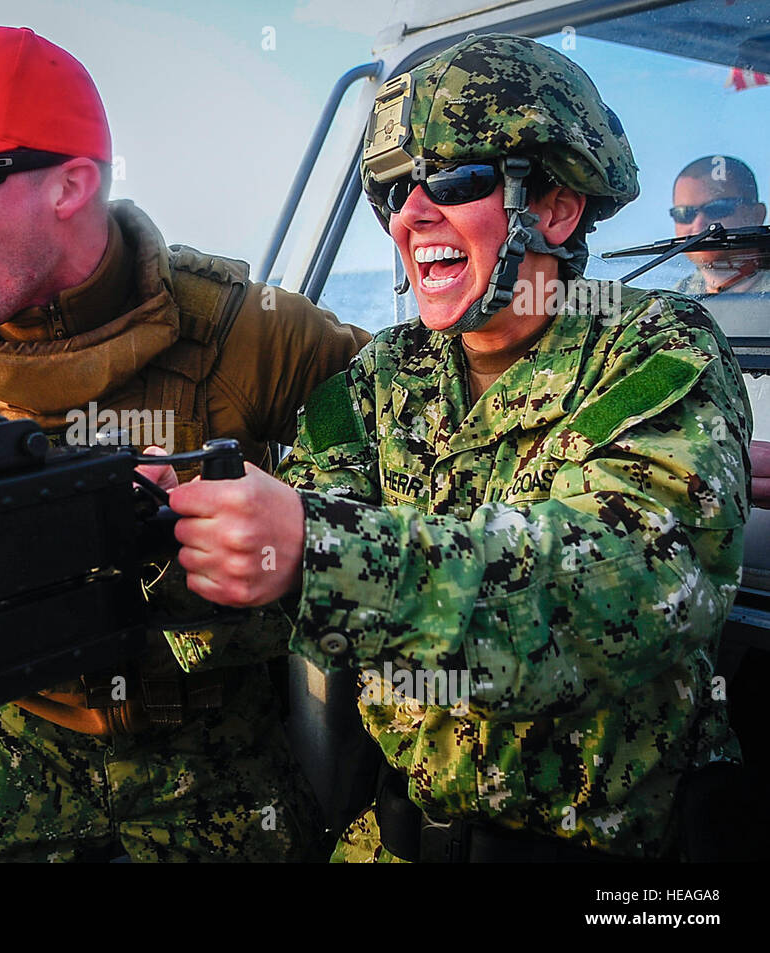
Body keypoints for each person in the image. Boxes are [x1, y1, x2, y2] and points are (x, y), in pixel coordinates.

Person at [159, 33, 752, 861]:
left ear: (556, 207)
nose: (411, 213)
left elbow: (632, 586)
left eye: (459, 178)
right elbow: (282, 597)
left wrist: (313, 550)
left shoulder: (657, 349)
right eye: (396, 189)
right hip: (397, 838)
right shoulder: (380, 378)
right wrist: (178, 540)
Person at [0, 25, 371, 861]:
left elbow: (421, 481)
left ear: (70, 185)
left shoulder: (258, 336)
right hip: (12, 760)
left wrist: (277, 523)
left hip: (227, 763)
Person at [671, 155, 770, 296]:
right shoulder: (672, 300)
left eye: (717, 209)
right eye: (685, 213)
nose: (698, 224)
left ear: (756, 215)